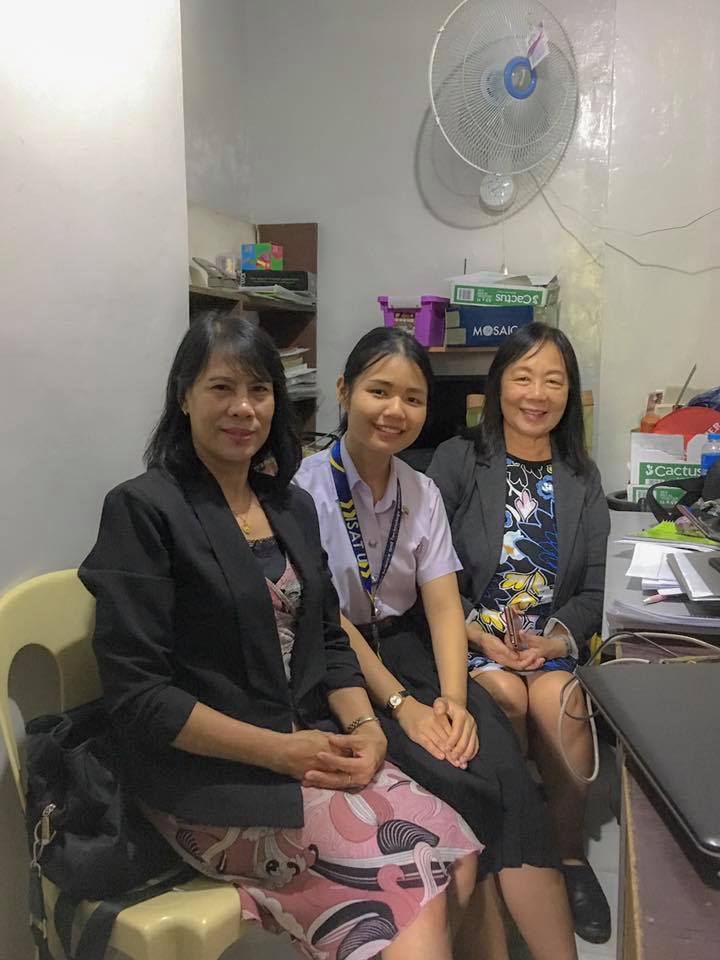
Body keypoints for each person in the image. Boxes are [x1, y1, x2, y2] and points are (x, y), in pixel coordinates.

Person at [78, 314, 484, 960]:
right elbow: (140, 698)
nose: (243, 408)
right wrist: (279, 753)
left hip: (309, 748)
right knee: (410, 881)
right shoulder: (145, 508)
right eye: (221, 388)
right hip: (210, 778)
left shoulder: (289, 505)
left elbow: (328, 639)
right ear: (183, 396)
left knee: (458, 849)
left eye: (260, 390)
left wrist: (369, 730)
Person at [295, 326, 578, 960]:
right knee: (457, 778)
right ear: (343, 391)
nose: (395, 410)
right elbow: (328, 620)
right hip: (344, 668)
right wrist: (406, 708)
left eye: (414, 398)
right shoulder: (302, 492)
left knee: (505, 771)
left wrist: (453, 698)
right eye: (379, 391)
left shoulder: (419, 489)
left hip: (414, 647)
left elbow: (445, 604)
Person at [427, 322, 612, 945]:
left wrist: (556, 641)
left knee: (561, 703)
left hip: (548, 644)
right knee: (504, 696)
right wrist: (479, 636)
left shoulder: (582, 477)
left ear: (569, 393)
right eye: (523, 377)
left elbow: (595, 590)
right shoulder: (458, 460)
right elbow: (428, 571)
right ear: (498, 385)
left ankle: (567, 857)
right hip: (475, 640)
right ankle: (506, 848)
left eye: (553, 381)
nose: (537, 394)